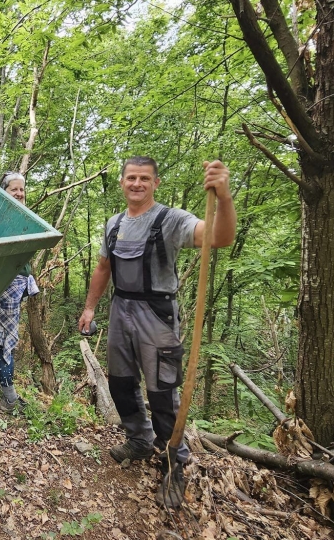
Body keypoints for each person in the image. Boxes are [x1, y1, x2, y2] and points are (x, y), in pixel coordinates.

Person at [77, 156, 236, 463]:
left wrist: (225, 197)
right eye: (132, 178)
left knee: (162, 389)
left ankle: (173, 455)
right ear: (122, 182)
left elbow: (220, 237)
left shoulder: (172, 220)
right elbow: (103, 267)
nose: (137, 184)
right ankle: (139, 439)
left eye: (145, 179)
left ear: (155, 183)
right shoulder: (114, 224)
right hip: (120, 310)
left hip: (158, 315)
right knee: (120, 383)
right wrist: (89, 309)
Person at [0, 171, 38, 411]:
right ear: (3, 190)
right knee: (0, 340)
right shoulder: (1, 218)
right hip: (1, 283)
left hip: (5, 284)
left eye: (22, 189)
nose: (19, 193)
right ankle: (10, 398)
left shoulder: (22, 217)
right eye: (14, 189)